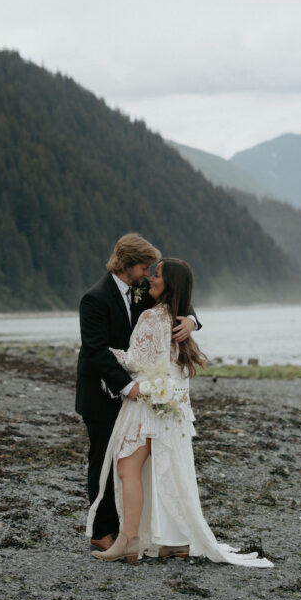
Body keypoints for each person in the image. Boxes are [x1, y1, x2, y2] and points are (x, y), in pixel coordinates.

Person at [86, 257, 274, 567]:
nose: (149, 280)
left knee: (126, 467)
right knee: (160, 469)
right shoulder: (174, 318)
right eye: (149, 272)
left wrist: (104, 350)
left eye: (156, 274)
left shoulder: (153, 316)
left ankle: (128, 540)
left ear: (168, 283)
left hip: (148, 404)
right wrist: (190, 320)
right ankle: (171, 542)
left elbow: (136, 362)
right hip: (168, 405)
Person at [76, 234, 198, 552]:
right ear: (128, 265)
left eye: (150, 271)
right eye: (145, 268)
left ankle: (137, 532)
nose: (147, 274)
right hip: (102, 394)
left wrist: (194, 321)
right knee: (103, 458)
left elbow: (176, 296)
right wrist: (129, 387)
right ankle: (103, 532)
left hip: (139, 394)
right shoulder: (95, 298)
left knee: (131, 463)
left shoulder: (141, 291)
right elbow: (95, 351)